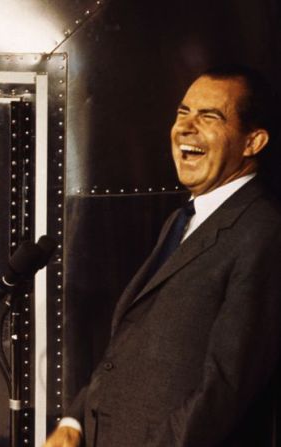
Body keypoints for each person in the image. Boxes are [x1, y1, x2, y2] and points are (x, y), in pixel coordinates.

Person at [45, 65, 281, 446]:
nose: (186, 127)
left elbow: (224, 390)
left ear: (252, 142)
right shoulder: (181, 219)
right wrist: (74, 421)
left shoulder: (265, 233)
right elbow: (128, 346)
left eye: (209, 116)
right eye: (182, 113)